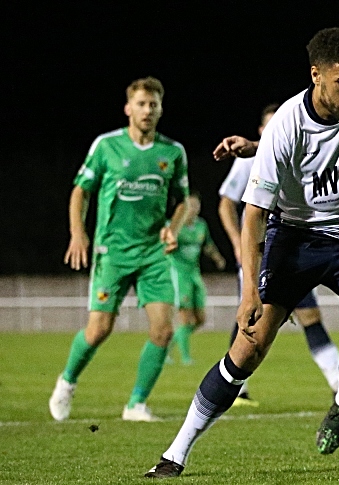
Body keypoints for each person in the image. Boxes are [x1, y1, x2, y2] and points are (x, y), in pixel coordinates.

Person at [145, 27, 339, 478]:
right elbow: (253, 216)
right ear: (316, 74)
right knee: (248, 348)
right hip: (294, 240)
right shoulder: (285, 123)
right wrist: (248, 295)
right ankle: (175, 452)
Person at [49, 76, 190, 422]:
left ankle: (136, 405)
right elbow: (80, 191)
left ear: (160, 110)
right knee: (99, 329)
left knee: (164, 330)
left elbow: (184, 201)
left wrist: (172, 229)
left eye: (153, 105)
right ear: (128, 109)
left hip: (153, 254)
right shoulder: (106, 146)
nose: (147, 110)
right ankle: (67, 382)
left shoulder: (172, 152)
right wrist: (77, 233)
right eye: (141, 104)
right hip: (111, 251)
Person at [216, 104, 339, 407]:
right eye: (267, 125)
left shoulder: (300, 152)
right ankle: (238, 387)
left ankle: (336, 382)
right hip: (260, 253)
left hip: (290, 252)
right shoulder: (249, 160)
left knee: (308, 316)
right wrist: (238, 244)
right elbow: (226, 202)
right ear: (261, 130)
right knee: (252, 318)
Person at [168, 191, 227, 365]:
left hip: (195, 274)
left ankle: (167, 346)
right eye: (190, 205)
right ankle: (186, 358)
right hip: (179, 274)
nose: (194, 209)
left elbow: (207, 245)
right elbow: (164, 246)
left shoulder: (201, 225)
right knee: (185, 318)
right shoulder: (174, 226)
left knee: (200, 319)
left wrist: (217, 257)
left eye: (196, 205)